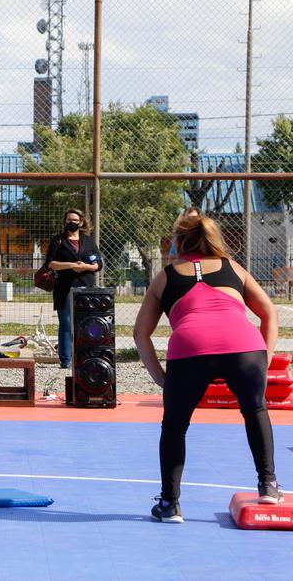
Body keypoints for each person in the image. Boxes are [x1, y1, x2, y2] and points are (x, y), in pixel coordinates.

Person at [134, 214, 283, 523]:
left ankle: (169, 504)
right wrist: (264, 358)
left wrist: (160, 376)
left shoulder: (166, 275)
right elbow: (268, 310)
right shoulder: (234, 268)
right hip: (243, 347)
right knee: (255, 410)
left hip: (191, 349)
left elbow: (141, 333)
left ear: (178, 240)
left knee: (175, 425)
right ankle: (268, 484)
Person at [44, 208, 103, 369]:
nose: (72, 223)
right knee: (66, 323)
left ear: (81, 222)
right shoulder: (58, 240)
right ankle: (66, 360)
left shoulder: (89, 241)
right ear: (65, 222)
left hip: (86, 286)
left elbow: (98, 264)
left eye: (75, 220)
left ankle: (87, 357)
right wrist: (71, 265)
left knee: (87, 323)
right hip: (65, 287)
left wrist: (85, 266)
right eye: (69, 220)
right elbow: (51, 263)